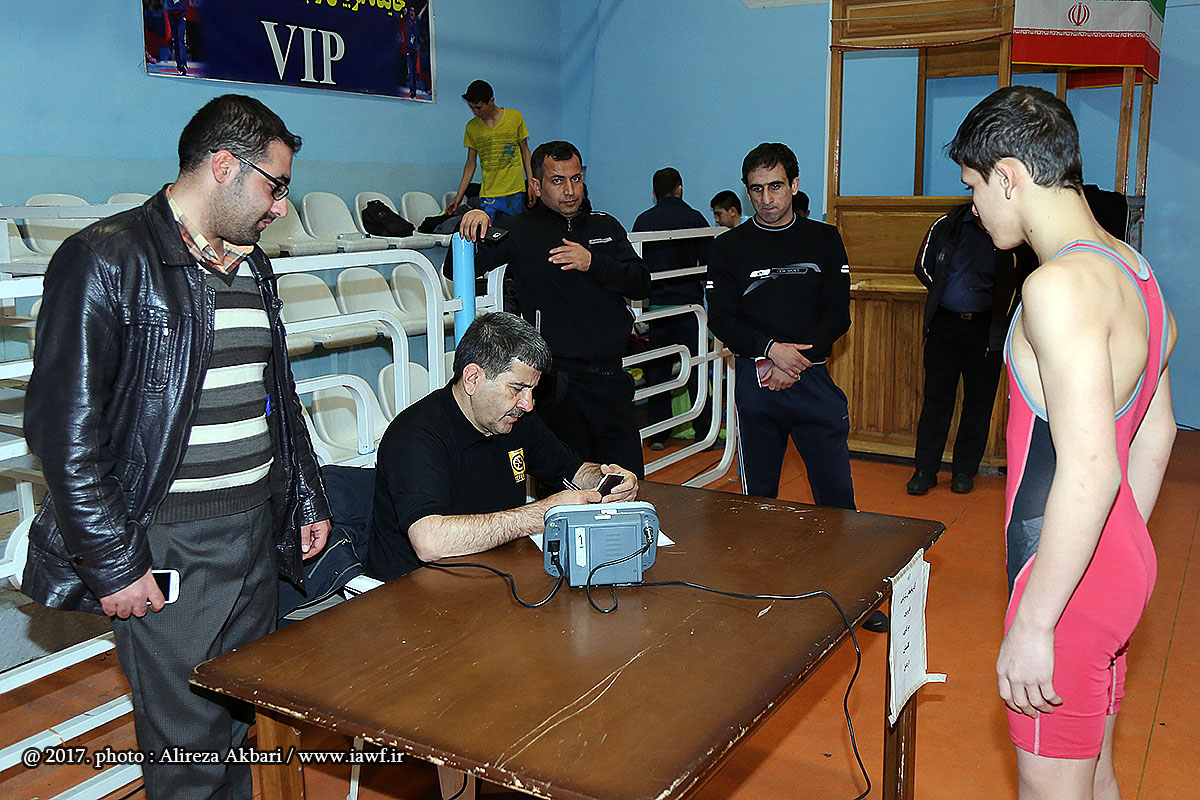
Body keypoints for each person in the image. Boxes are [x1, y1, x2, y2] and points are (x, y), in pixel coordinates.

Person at [21, 94, 332, 800]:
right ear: (224, 166)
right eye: (275, 186)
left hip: (254, 532)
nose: (281, 205)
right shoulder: (103, 259)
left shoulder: (253, 266)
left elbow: (276, 396)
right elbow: (64, 432)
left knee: (244, 721)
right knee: (188, 748)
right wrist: (114, 563)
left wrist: (306, 494)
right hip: (169, 543)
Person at [948, 85, 1176, 799]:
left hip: (1068, 582)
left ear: (1009, 175)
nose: (974, 207)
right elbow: (1157, 433)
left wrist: (1036, 621)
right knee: (1095, 775)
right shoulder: (1135, 271)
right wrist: (1117, 550)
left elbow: (1089, 470)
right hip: (1116, 560)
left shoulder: (1058, 288)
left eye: (974, 186)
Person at [367, 312, 639, 581]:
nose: (527, 404)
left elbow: (571, 469)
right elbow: (429, 542)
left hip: (491, 572)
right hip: (413, 589)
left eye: (532, 390)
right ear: (472, 378)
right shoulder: (416, 435)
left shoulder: (516, 420)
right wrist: (542, 513)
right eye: (517, 388)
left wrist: (608, 479)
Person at [455, 141, 651, 477]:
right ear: (536, 185)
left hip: (611, 381)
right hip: (560, 387)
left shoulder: (605, 226)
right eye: (557, 181)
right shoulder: (520, 230)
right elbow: (454, 267)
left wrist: (593, 263)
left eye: (576, 179)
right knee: (567, 487)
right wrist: (473, 221)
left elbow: (641, 282)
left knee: (629, 482)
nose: (570, 190)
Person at [706, 142, 855, 509]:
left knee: (837, 498)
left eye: (775, 186)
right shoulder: (728, 247)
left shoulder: (824, 239)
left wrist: (792, 362)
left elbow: (838, 313)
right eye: (756, 189)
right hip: (757, 378)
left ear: (794, 185)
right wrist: (771, 351)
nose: (766, 198)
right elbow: (721, 318)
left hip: (812, 376)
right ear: (747, 191)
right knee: (758, 501)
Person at [907, 202, 1033, 496]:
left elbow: (1027, 278)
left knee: (979, 404)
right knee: (936, 401)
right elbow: (922, 266)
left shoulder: (1009, 232)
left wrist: (1004, 309)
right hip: (945, 325)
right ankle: (925, 470)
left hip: (986, 330)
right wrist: (943, 291)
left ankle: (965, 471)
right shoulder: (947, 225)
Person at [632, 167, 714, 451]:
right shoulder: (694, 218)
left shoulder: (643, 221)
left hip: (657, 309)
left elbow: (636, 267)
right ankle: (704, 431)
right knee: (697, 370)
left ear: (654, 192)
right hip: (689, 308)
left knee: (657, 372)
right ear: (680, 188)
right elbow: (710, 263)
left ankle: (658, 434)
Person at [446, 80, 533, 220]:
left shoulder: (515, 117)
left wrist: (531, 183)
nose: (475, 112)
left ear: (491, 101)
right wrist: (459, 196)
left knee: (514, 230)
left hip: (515, 191)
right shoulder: (472, 127)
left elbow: (525, 151)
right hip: (488, 193)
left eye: (479, 108)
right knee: (487, 230)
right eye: (472, 108)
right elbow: (470, 164)